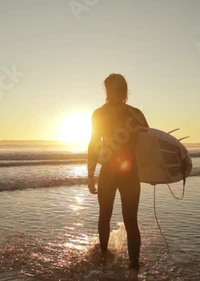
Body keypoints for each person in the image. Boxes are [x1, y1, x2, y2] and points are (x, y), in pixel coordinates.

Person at [87, 73, 149, 272]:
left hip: (127, 173)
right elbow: (94, 144)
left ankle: (134, 266)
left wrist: (153, 173)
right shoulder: (102, 114)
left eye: (113, 88)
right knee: (105, 215)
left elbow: (148, 143)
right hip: (114, 172)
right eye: (108, 89)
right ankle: (105, 256)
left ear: (123, 90)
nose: (110, 92)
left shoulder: (134, 113)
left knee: (130, 219)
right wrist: (90, 174)